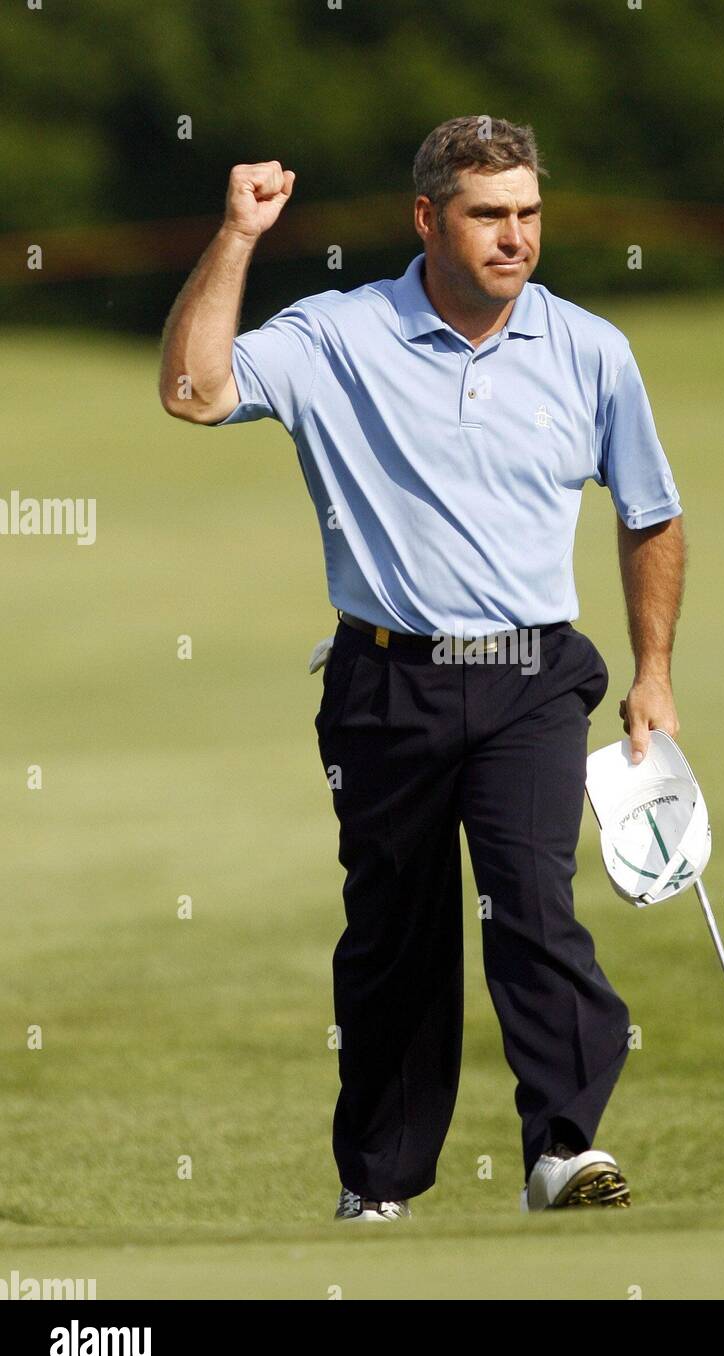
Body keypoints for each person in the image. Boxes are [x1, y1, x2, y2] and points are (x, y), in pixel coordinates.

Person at [159, 115, 685, 1221]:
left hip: (534, 675)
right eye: (488, 215)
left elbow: (651, 512)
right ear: (426, 219)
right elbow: (193, 390)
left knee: (533, 905)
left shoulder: (592, 349)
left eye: (529, 214)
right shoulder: (340, 335)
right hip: (383, 680)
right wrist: (237, 236)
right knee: (395, 936)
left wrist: (654, 671)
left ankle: (562, 1148)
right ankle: (380, 1184)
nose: (514, 237)